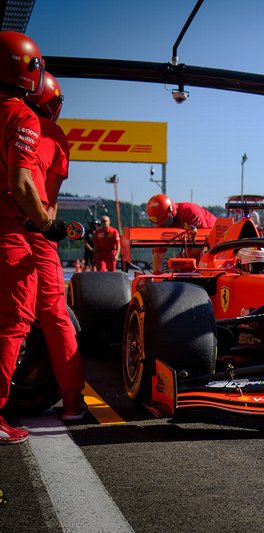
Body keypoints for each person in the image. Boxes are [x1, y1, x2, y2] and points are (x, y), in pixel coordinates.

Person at [24, 72, 87, 420]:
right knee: (55, 315)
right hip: (33, 232)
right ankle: (73, 401)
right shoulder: (54, 136)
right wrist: (49, 227)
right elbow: (49, 200)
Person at [0, 31, 52, 444]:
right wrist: (46, 221)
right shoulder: (22, 116)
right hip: (7, 234)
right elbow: (21, 183)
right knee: (13, 324)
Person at [146, 193, 217, 273]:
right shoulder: (161, 223)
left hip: (215, 235)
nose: (166, 225)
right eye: (162, 223)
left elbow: (200, 244)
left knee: (187, 265)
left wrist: (187, 266)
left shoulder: (191, 212)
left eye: (167, 221)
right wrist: (156, 275)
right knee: (181, 265)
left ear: (172, 210)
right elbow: (158, 251)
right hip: (191, 242)